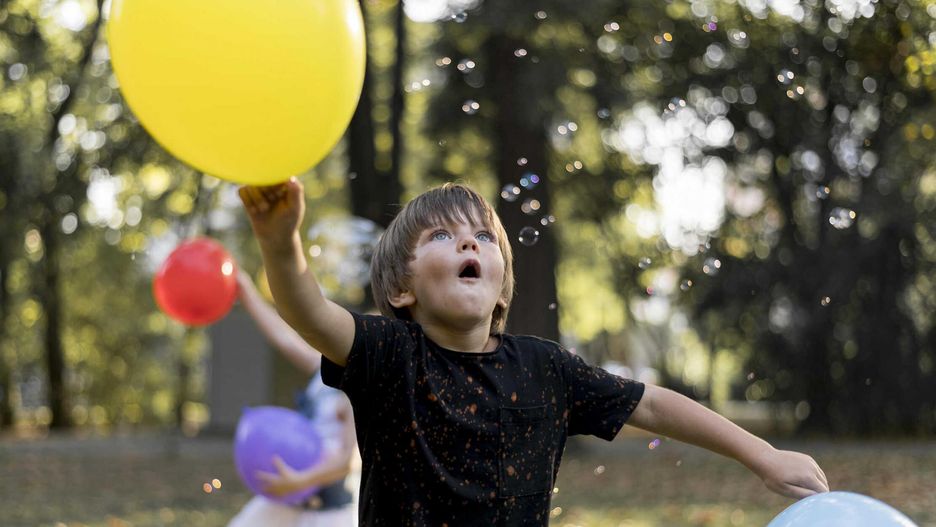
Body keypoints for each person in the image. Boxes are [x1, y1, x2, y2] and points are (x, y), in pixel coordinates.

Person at [239, 180, 829, 526]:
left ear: (501, 283)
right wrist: (278, 241)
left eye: (483, 236)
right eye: (440, 236)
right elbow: (307, 310)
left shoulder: (545, 368)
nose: (469, 239)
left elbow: (650, 406)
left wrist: (762, 454)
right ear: (402, 290)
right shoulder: (389, 355)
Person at [227, 270, 357, 527]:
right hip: (288, 499)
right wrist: (247, 292)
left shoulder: (355, 391)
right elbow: (284, 339)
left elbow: (349, 459)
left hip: (329, 510)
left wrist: (302, 480)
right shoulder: (324, 369)